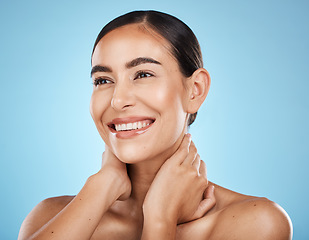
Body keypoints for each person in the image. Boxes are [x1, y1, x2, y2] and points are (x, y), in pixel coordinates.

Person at [18, 10, 292, 240]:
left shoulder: (255, 223)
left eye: (143, 74)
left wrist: (161, 216)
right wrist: (102, 187)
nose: (118, 99)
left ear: (194, 90)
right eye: (103, 80)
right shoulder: (48, 218)